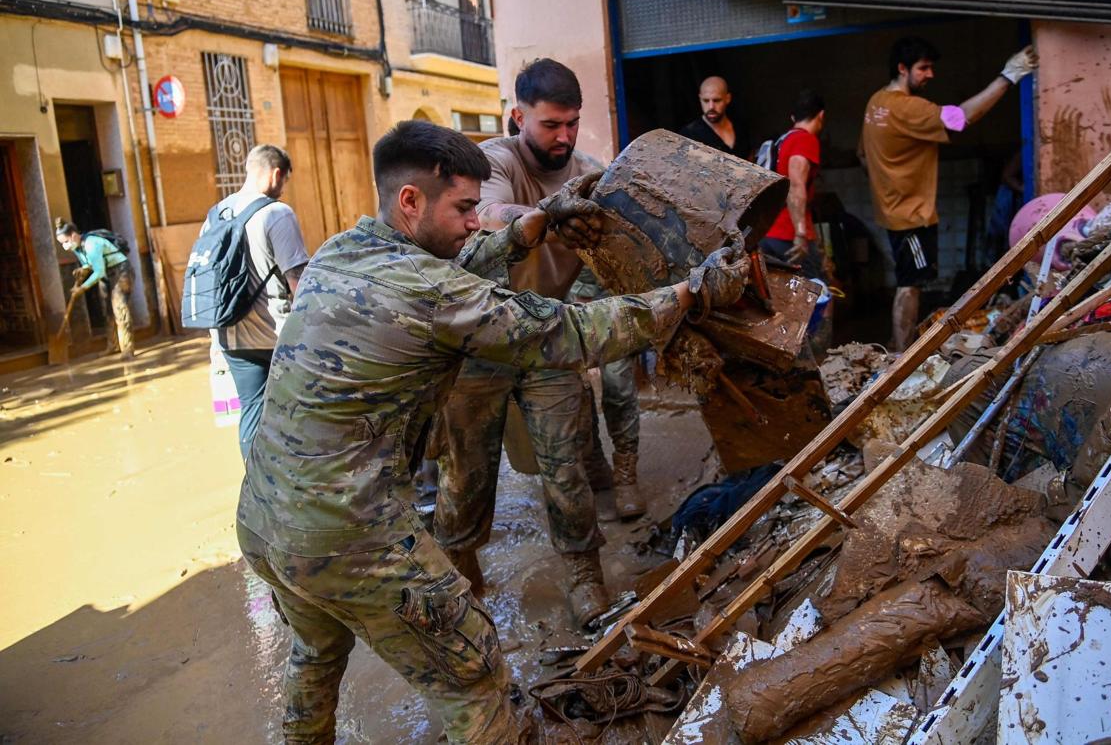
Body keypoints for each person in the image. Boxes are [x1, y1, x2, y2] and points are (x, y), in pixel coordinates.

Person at [236, 119, 747, 744]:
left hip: (264, 521)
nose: (476, 222)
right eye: (464, 209)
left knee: (314, 656)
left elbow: (445, 274)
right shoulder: (429, 290)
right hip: (346, 529)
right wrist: (691, 293)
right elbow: (574, 333)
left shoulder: (344, 251)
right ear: (410, 201)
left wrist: (527, 228)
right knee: (474, 674)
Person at [434, 59, 634, 628]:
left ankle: (583, 575)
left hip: (545, 335)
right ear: (517, 115)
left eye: (572, 123)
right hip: (479, 339)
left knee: (564, 463)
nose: (564, 137)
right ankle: (461, 570)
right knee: (465, 470)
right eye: (551, 125)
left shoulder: (592, 175)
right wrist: (545, 212)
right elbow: (491, 214)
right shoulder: (492, 162)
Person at [859, 37, 1037, 351]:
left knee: (909, 280)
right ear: (902, 68)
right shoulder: (907, 107)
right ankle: (901, 356)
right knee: (910, 285)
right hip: (909, 214)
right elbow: (961, 118)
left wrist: (887, 180)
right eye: (923, 68)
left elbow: (861, 153)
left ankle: (897, 346)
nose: (930, 75)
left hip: (892, 209)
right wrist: (1008, 76)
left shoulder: (876, 103)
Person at [201, 145, 309, 459]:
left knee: (251, 413)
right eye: (285, 181)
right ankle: (292, 489)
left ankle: (258, 487)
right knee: (297, 413)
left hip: (227, 332)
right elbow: (298, 282)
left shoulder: (216, 214)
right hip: (274, 334)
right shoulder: (276, 212)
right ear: (277, 174)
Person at [570, 267, 644, 520]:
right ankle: (594, 466)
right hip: (566, 299)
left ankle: (626, 478)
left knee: (618, 388)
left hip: (615, 296)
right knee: (578, 391)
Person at [759, 90, 827, 280]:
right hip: (789, 235)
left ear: (792, 117)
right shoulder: (805, 140)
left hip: (767, 233)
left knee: (782, 296)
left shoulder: (783, 141)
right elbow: (796, 185)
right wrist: (801, 233)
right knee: (818, 292)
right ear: (821, 115)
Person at [55, 220, 135, 360]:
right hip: (106, 275)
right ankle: (113, 345)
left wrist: (82, 288)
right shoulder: (77, 248)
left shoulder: (92, 244)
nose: (65, 246)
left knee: (120, 309)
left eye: (66, 241)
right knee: (107, 311)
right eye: (62, 243)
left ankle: (127, 349)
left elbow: (98, 271)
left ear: (74, 236)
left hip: (121, 271)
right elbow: (89, 264)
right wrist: (83, 269)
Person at [679, 76, 750, 159]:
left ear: (727, 98)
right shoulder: (689, 134)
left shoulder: (740, 126)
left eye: (716, 100)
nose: (711, 107)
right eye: (706, 100)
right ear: (700, 99)